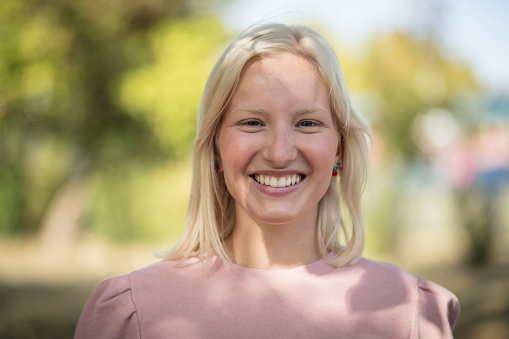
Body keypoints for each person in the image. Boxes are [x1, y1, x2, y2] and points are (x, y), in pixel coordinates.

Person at [75, 22, 460, 338]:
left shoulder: (410, 312)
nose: (279, 153)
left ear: (339, 149)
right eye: (252, 122)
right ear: (215, 149)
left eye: (307, 123)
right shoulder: (133, 313)